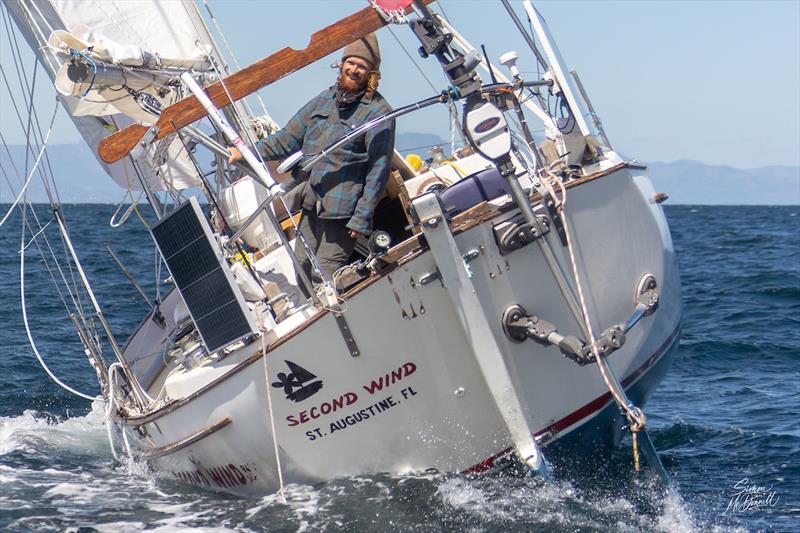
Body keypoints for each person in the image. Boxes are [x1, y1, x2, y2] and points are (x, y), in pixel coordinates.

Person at [228, 33, 395, 291]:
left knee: (323, 278)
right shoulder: (323, 100)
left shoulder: (379, 112)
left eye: (361, 66)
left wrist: (362, 218)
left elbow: (378, 170)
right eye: (350, 63)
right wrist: (246, 153)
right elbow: (286, 139)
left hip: (343, 213)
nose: (354, 69)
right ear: (341, 65)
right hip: (313, 204)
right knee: (301, 270)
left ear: (372, 73)